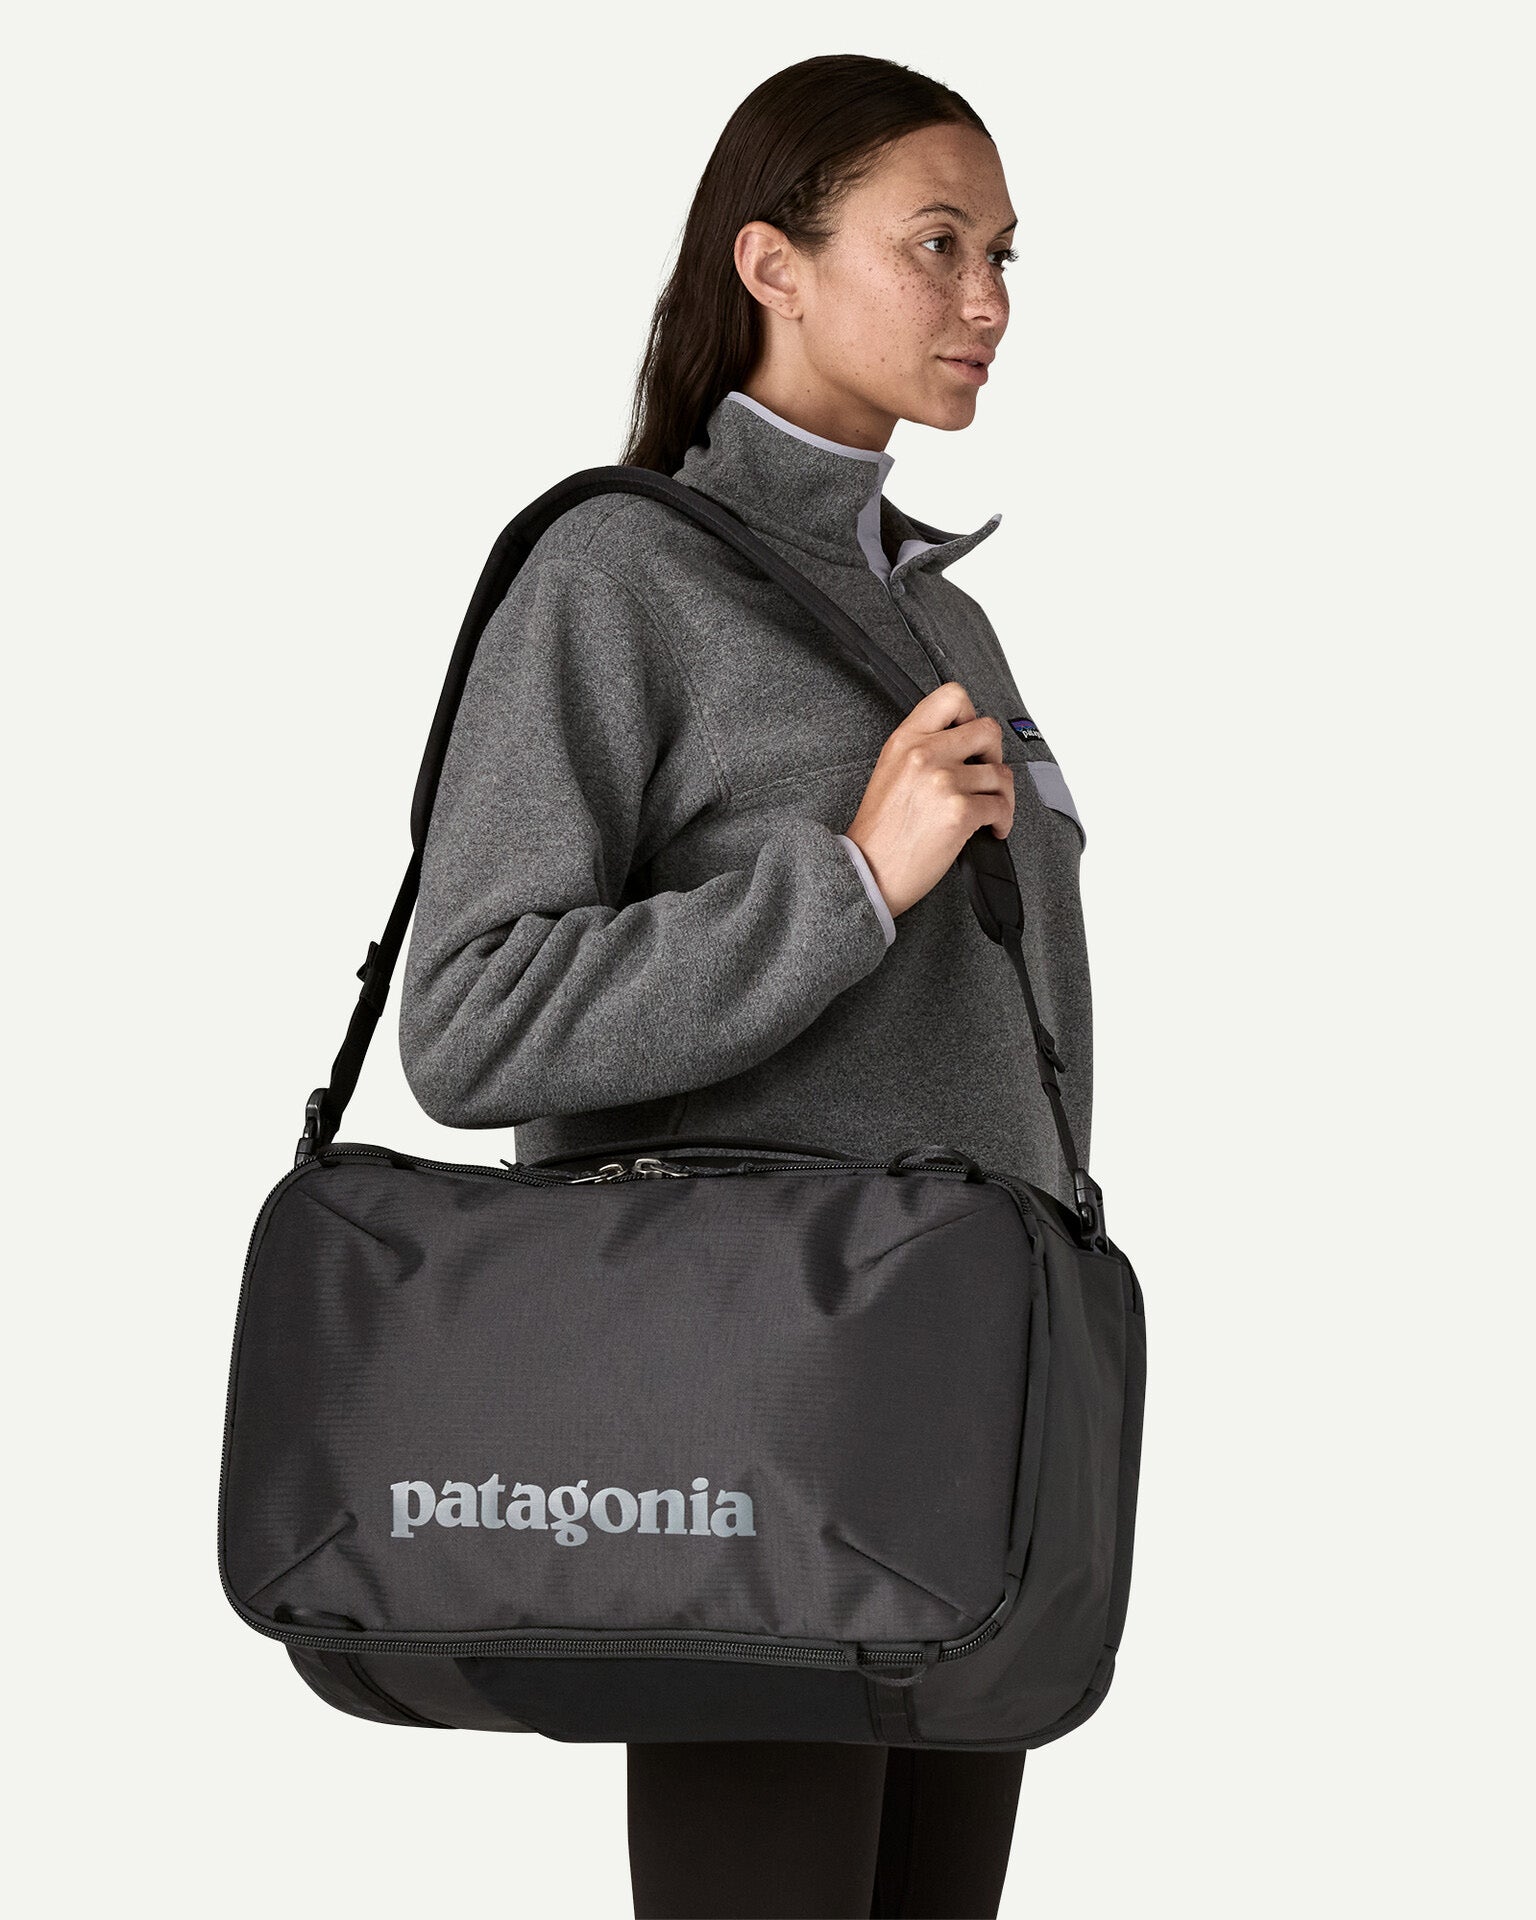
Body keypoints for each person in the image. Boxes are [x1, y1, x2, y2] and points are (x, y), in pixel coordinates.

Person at [399, 52, 1093, 1920]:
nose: (988, 299)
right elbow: (468, 1022)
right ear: (772, 264)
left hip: (966, 1414)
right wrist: (850, 880)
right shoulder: (617, 573)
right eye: (936, 244)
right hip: (751, 1417)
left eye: (1006, 255)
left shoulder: (949, 621)